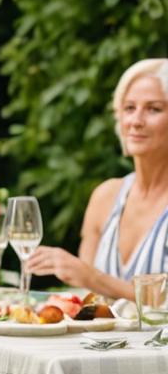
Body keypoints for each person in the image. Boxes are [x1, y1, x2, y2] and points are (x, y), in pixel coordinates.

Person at [28, 58, 168, 298]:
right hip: (100, 337)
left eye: (154, 109)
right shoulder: (106, 196)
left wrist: (91, 277)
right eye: (129, 108)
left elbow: (89, 279)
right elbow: (86, 296)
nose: (136, 121)